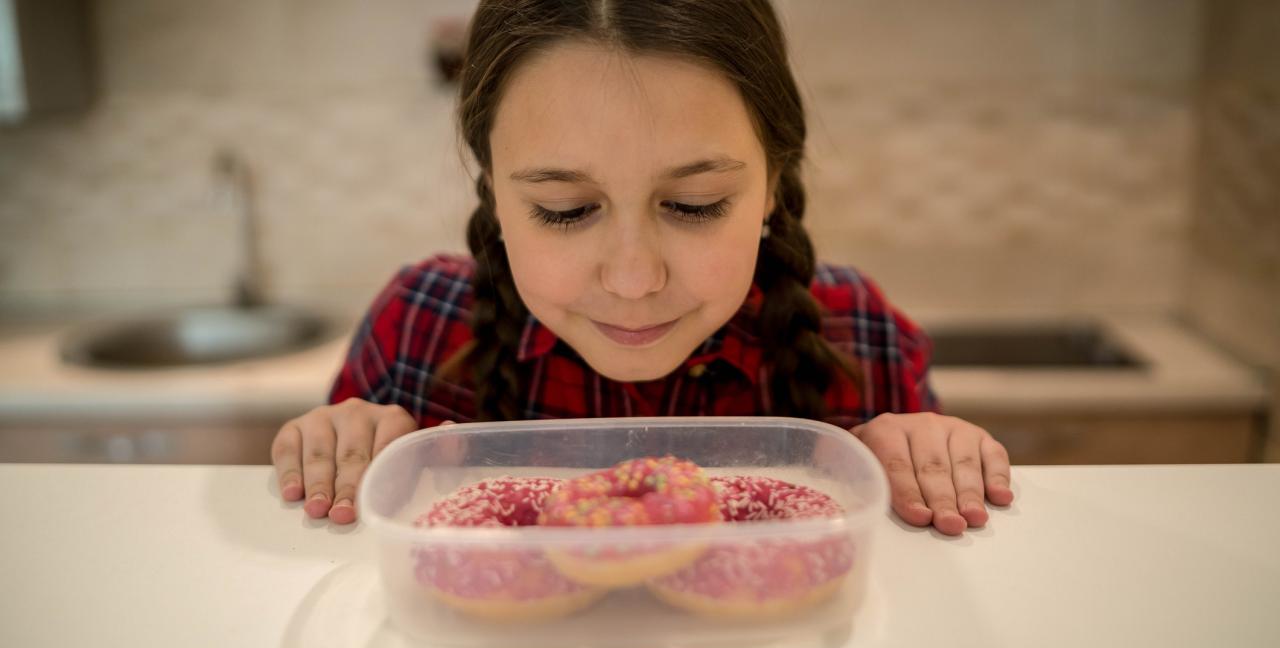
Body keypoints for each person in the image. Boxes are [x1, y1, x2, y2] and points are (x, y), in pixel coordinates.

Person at [270, 0, 1014, 535]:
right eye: (565, 210)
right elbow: (344, 534)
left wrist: (929, 457)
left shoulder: (856, 338)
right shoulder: (419, 330)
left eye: (694, 204)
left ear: (771, 185)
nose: (633, 280)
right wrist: (342, 446)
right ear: (494, 192)